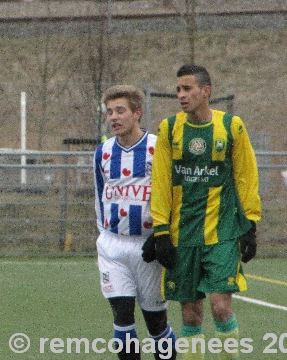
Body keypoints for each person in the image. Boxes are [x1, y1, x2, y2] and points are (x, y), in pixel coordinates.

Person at [149, 64, 261, 360]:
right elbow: (160, 181)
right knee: (190, 314)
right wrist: (160, 230)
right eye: (178, 90)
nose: (181, 95)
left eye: (187, 89)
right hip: (182, 233)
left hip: (222, 231)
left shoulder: (231, 126)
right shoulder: (169, 129)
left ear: (206, 91)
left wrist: (250, 223)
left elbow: (246, 175)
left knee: (220, 306)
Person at [94, 85, 176, 360]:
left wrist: (164, 235)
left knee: (156, 323)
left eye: (120, 111)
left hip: (148, 246)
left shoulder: (157, 148)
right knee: (122, 315)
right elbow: (99, 196)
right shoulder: (102, 152)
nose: (114, 117)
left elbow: (172, 195)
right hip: (113, 246)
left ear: (137, 113)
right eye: (109, 112)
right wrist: (103, 232)